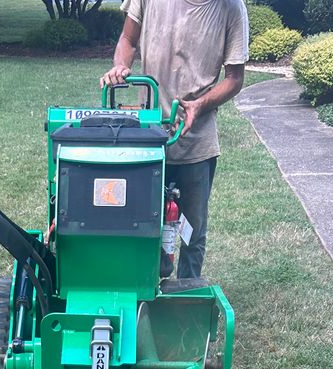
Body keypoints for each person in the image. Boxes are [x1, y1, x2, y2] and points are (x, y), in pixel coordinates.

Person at [100, 0, 249, 280]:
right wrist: (120, 66)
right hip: (148, 138)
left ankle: (186, 299)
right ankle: (143, 288)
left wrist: (200, 105)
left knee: (193, 232)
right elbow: (128, 38)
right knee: (138, 222)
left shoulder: (231, 8)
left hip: (196, 141)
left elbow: (235, 78)